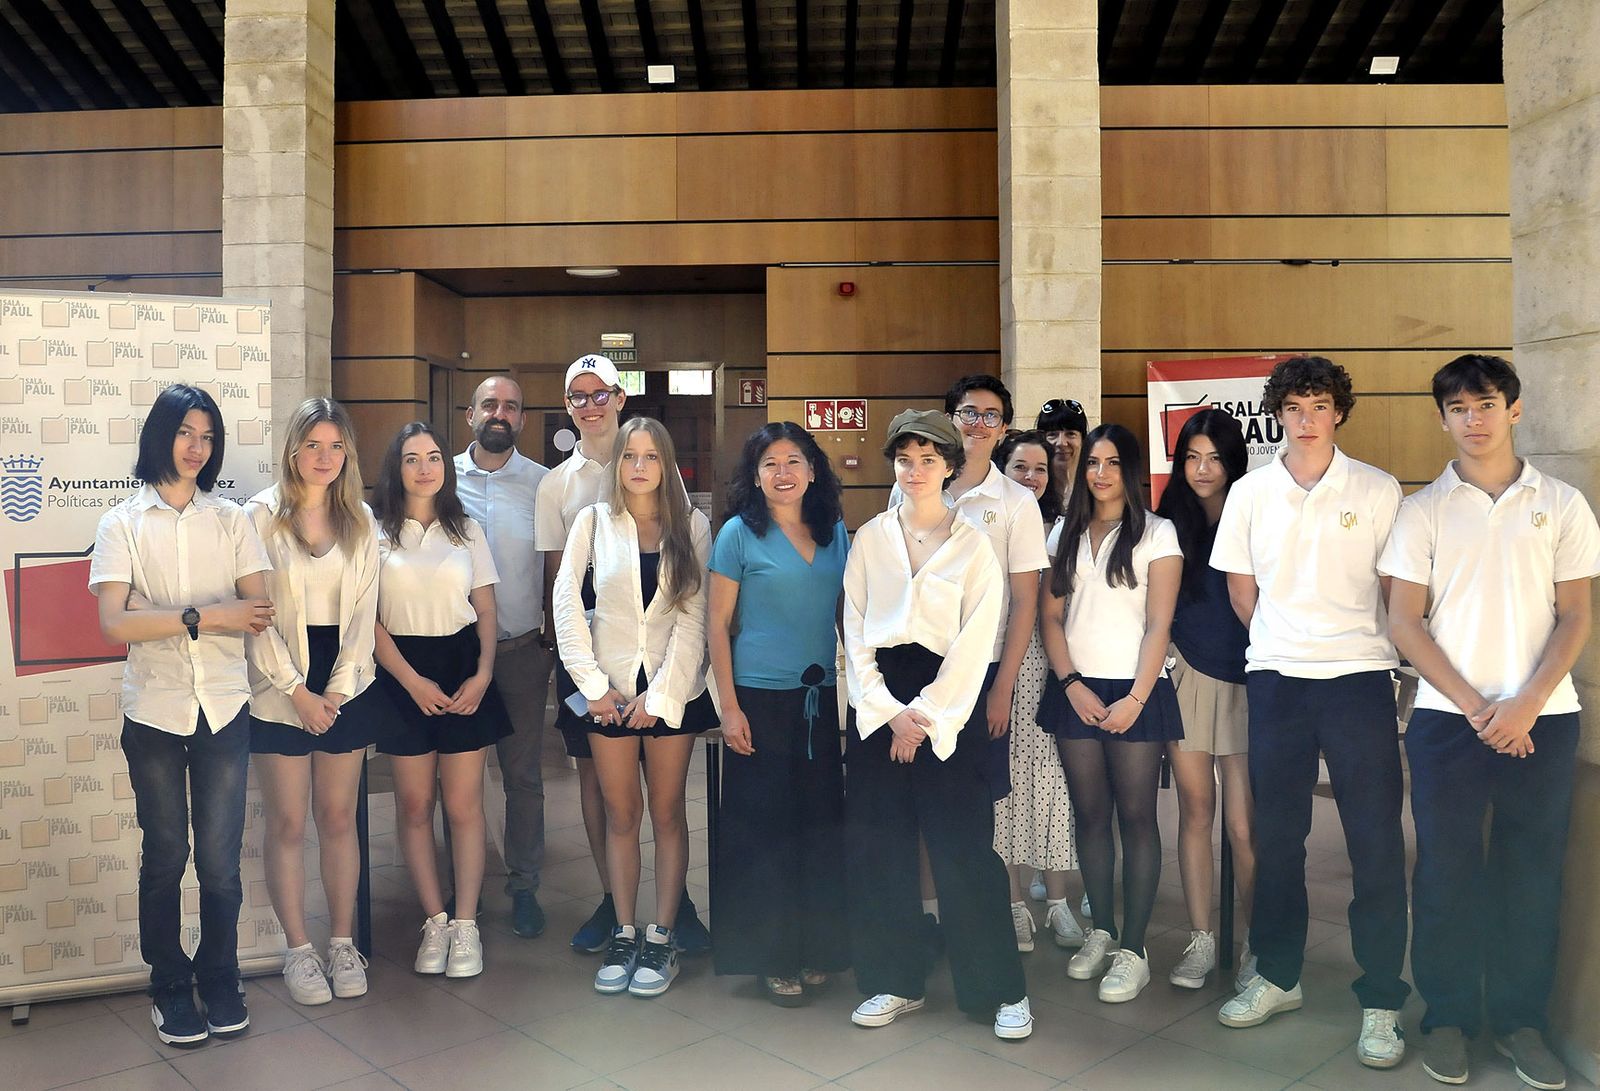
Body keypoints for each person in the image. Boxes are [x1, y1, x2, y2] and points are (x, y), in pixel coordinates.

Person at [1380, 354, 1598, 1090]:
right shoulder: (1422, 510)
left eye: (1486, 404)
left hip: (1546, 719)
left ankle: (1520, 1021)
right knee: (1445, 871)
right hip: (1449, 722)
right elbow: (1405, 622)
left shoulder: (1562, 503)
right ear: (1441, 417)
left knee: (1530, 877)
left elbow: (1576, 614)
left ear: (1515, 409)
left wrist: (1529, 700)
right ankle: (1445, 1016)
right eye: (1459, 408)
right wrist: (1480, 707)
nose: (1473, 420)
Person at [1210, 356, 1410, 1070]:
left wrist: (1344, 645)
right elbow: (1242, 588)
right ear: (1277, 414)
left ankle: (1382, 996)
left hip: (1358, 677)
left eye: (1318, 405)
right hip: (1278, 682)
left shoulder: (1379, 489)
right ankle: (1278, 973)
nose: (1305, 419)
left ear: (1338, 413)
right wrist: (1284, 642)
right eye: (1292, 406)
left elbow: (1395, 589)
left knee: (1375, 842)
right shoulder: (1251, 492)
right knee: (1278, 834)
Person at [89, 383, 274, 1046]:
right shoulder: (121, 524)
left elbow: (255, 610)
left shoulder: (230, 519)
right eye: (185, 432)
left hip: (224, 708)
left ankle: (220, 975)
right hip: (155, 714)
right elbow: (114, 624)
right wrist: (205, 614)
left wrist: (159, 615)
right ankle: (168, 982)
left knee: (221, 861)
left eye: (207, 435)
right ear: (159, 435)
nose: (197, 447)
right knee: (166, 854)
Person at [843, 408, 1032, 1041]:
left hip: (950, 707)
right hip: (878, 710)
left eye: (928, 459)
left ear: (951, 467)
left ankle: (999, 991)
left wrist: (923, 717)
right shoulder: (870, 538)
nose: (915, 470)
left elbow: (978, 642)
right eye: (905, 459)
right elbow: (853, 634)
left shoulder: (974, 545)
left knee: (965, 855)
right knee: (882, 848)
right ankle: (895, 980)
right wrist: (889, 714)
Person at [536, 354, 711, 955]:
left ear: (666, 464)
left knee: (667, 814)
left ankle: (663, 932)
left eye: (651, 456)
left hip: (670, 694)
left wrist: (661, 697)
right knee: (619, 815)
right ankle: (623, 928)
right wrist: (592, 688)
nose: (639, 466)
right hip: (605, 694)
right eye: (630, 457)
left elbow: (694, 622)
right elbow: (565, 607)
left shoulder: (692, 525)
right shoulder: (590, 520)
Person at [888, 376, 1049, 947]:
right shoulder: (915, 485)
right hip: (915, 670)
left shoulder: (1016, 503)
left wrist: (1002, 684)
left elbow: (1025, 598)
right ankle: (931, 918)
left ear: (1004, 428)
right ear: (951, 419)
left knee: (970, 805)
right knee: (916, 803)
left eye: (990, 415)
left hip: (982, 673)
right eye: (967, 412)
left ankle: (975, 925)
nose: (977, 424)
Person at [245, 398, 386, 1006]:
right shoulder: (256, 518)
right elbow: (254, 617)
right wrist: (296, 691)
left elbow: (363, 617)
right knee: (288, 822)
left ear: (347, 453)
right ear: (292, 450)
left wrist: (334, 691)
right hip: (279, 690)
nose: (324, 458)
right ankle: (298, 951)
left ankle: (341, 944)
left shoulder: (361, 519)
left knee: (337, 819)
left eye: (335, 447)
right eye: (312, 446)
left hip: (345, 687)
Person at [1039, 423, 1183, 1004]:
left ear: (1132, 470)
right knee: (1090, 816)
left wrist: (1136, 698)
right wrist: (1070, 683)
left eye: (1113, 462)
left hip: (1135, 691)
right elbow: (1051, 619)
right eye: (1093, 462)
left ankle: (1134, 947)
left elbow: (1159, 624)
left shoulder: (1158, 534)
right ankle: (1100, 931)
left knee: (1137, 819)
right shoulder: (1063, 533)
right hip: (1077, 689)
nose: (1100, 473)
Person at [708, 422, 851, 1005]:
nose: (784, 473)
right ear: (756, 476)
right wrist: (730, 709)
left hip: (819, 703)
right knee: (764, 834)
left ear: (813, 470)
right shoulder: (739, 535)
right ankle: (771, 955)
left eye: (794, 461)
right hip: (757, 703)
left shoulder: (837, 531)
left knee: (818, 828)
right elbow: (716, 626)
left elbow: (849, 618)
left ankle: (817, 946)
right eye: (771, 464)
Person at [370, 421, 513, 980]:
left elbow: (487, 609)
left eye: (434, 457)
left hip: (461, 668)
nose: (425, 467)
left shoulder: (466, 530)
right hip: (401, 672)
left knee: (463, 805)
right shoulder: (375, 531)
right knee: (412, 806)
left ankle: (467, 923)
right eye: (412, 458)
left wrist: (482, 674)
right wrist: (409, 681)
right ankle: (434, 920)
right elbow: (370, 620)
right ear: (396, 468)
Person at [1154, 409, 1257, 991]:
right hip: (1187, 676)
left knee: (1244, 826)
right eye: (1191, 457)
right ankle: (1201, 939)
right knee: (1195, 813)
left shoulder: (1256, 512)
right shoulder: (1166, 521)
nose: (1202, 469)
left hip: (1249, 681)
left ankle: (1255, 946)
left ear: (1233, 460)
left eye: (1214, 457)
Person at [454, 375, 553, 939]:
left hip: (519, 651)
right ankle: (455, 888)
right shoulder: (438, 479)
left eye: (511, 406)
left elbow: (553, 567)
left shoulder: (543, 485)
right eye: (490, 404)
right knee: (457, 779)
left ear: (521, 419)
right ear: (471, 413)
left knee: (522, 775)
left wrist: (549, 637)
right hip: (454, 655)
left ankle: (524, 887)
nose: (500, 413)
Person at [988, 430, 1083, 952]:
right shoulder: (987, 519)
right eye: (1020, 466)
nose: (1031, 477)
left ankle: (1060, 903)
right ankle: (1015, 904)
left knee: (1053, 781)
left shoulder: (1066, 527)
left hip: (1050, 662)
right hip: (1000, 662)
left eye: (1040, 468)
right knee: (1004, 783)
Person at [1037, 397, 1088, 509]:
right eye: (1052, 435)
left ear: (1083, 440)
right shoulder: (1033, 487)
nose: (1061, 443)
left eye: (1070, 434)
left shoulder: (1095, 488)